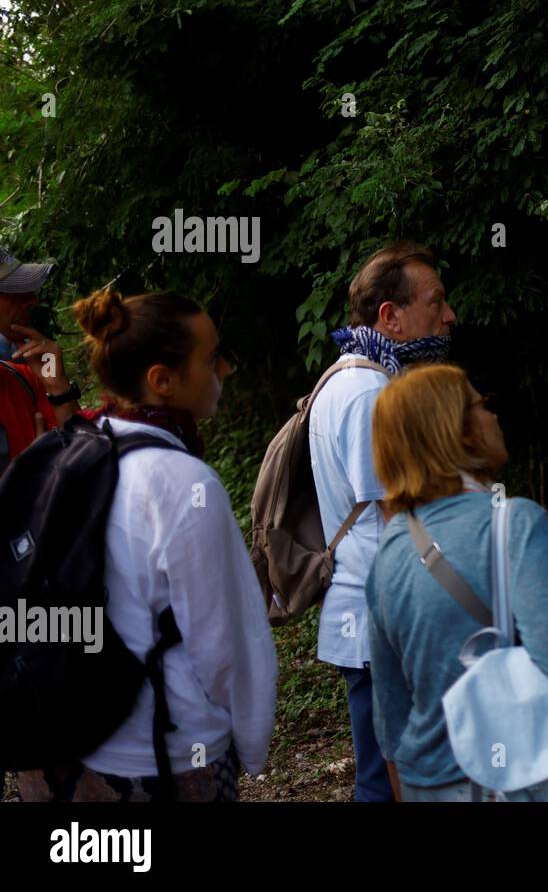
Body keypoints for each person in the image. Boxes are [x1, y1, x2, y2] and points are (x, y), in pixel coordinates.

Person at [15, 289, 277, 802]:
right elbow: (227, 645)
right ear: (162, 380)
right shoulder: (184, 482)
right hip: (165, 761)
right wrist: (251, 748)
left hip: (59, 752)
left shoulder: (74, 451)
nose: (226, 367)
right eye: (211, 357)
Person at [366, 364, 548, 801]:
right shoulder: (517, 523)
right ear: (463, 432)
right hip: (515, 777)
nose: (494, 416)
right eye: (483, 405)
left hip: (426, 782)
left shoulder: (388, 551)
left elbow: (390, 714)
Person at [308, 240, 457, 802]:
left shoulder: (349, 377)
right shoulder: (369, 391)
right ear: (390, 317)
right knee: (388, 781)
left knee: (385, 773)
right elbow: (397, 518)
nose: (448, 315)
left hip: (370, 616)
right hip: (383, 622)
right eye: (434, 301)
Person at [0, 246, 81, 473]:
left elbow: (86, 458)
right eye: (16, 292)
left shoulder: (27, 379)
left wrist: (58, 387)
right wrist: (29, 477)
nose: (32, 300)